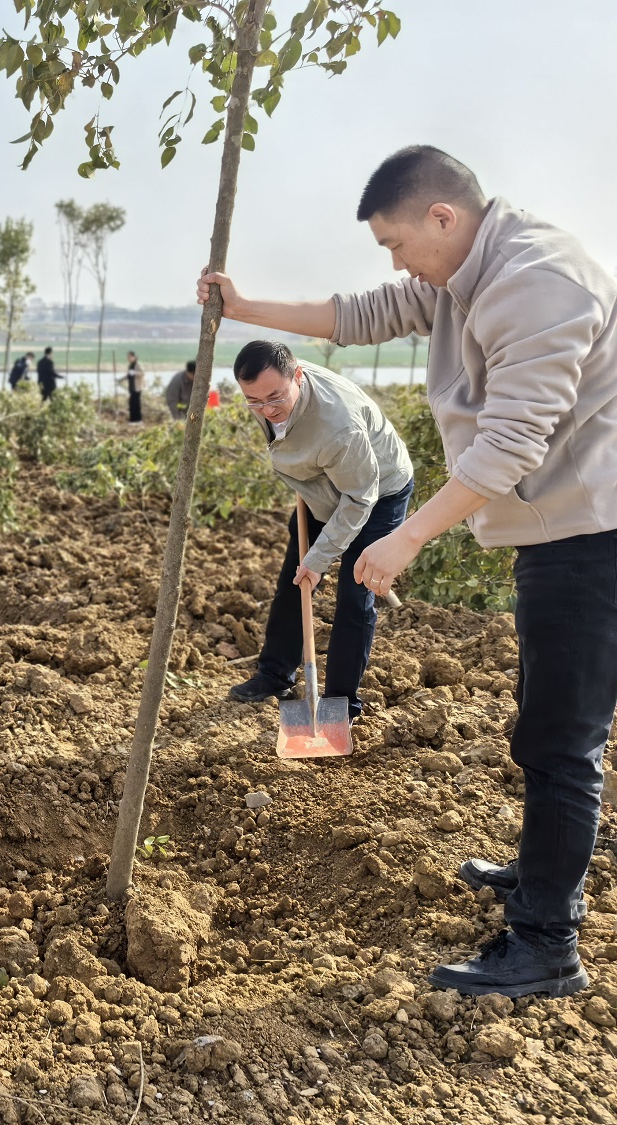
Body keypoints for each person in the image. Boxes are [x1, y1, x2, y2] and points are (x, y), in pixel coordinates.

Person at [199, 145, 617, 1000]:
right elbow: (362, 314)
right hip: (558, 530)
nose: (395, 264)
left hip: (595, 536)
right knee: (542, 717)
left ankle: (547, 942)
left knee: (561, 739)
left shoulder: (538, 281)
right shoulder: (462, 271)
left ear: (442, 218)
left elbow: (511, 443)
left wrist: (407, 537)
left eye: (396, 243)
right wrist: (243, 306)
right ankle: (542, 873)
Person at [225, 340, 413, 722]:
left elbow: (360, 498)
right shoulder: (269, 388)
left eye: (275, 398)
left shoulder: (338, 426)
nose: (267, 410)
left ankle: (340, 704)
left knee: (355, 592)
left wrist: (320, 558)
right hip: (321, 482)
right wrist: (310, 560)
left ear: (298, 376)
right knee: (296, 577)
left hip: (376, 492)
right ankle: (275, 675)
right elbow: (280, 425)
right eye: (254, 401)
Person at [125, 351, 145, 423]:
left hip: (137, 387)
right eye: (128, 357)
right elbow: (128, 375)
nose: (129, 358)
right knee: (131, 404)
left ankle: (138, 420)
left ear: (134, 357)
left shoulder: (138, 364)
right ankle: (132, 419)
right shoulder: (130, 365)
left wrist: (134, 373)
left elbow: (142, 373)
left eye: (130, 357)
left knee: (136, 404)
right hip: (131, 387)